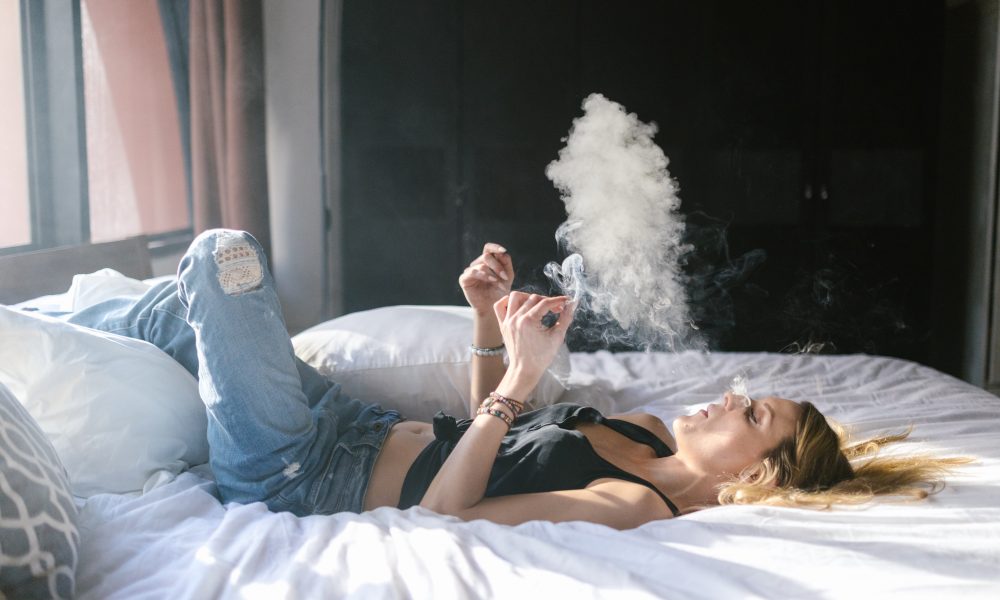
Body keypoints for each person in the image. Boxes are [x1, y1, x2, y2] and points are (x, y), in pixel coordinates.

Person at [65, 229, 965, 529]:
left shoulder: (633, 502)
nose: (730, 395)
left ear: (757, 473)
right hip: (347, 420)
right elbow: (475, 433)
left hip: (301, 471)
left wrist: (512, 391)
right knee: (166, 313)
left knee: (223, 258)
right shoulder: (649, 427)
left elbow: (446, 514)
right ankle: (43, 327)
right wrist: (485, 318)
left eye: (753, 412)